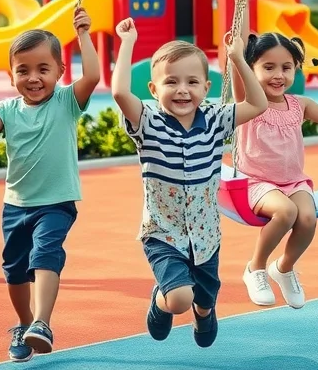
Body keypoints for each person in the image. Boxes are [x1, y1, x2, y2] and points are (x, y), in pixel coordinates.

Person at [110, 18, 267, 348]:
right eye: (171, 82)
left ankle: (204, 312)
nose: (183, 89)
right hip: (162, 233)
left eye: (192, 81)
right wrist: (127, 43)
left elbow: (257, 104)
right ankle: (162, 301)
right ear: (154, 90)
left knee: (204, 297)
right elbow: (120, 92)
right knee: (180, 297)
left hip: (206, 234)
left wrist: (238, 59)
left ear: (206, 88)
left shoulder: (214, 118)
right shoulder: (148, 121)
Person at [0, 8, 99, 362]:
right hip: (16, 205)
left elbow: (94, 75)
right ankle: (24, 324)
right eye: (23, 70)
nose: (33, 77)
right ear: (10, 76)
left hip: (56, 202)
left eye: (43, 69)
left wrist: (83, 33)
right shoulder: (7, 111)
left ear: (59, 72)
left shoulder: (67, 102)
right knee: (14, 270)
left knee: (45, 254)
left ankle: (42, 322)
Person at [228, 0, 318, 309]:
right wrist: (239, 2)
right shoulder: (250, 100)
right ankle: (255, 267)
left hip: (294, 180)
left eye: (286, 67)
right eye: (268, 67)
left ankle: (283, 268)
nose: (278, 74)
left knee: (307, 218)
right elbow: (239, 51)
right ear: (252, 69)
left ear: (295, 70)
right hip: (256, 182)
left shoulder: (299, 104)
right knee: (286, 213)